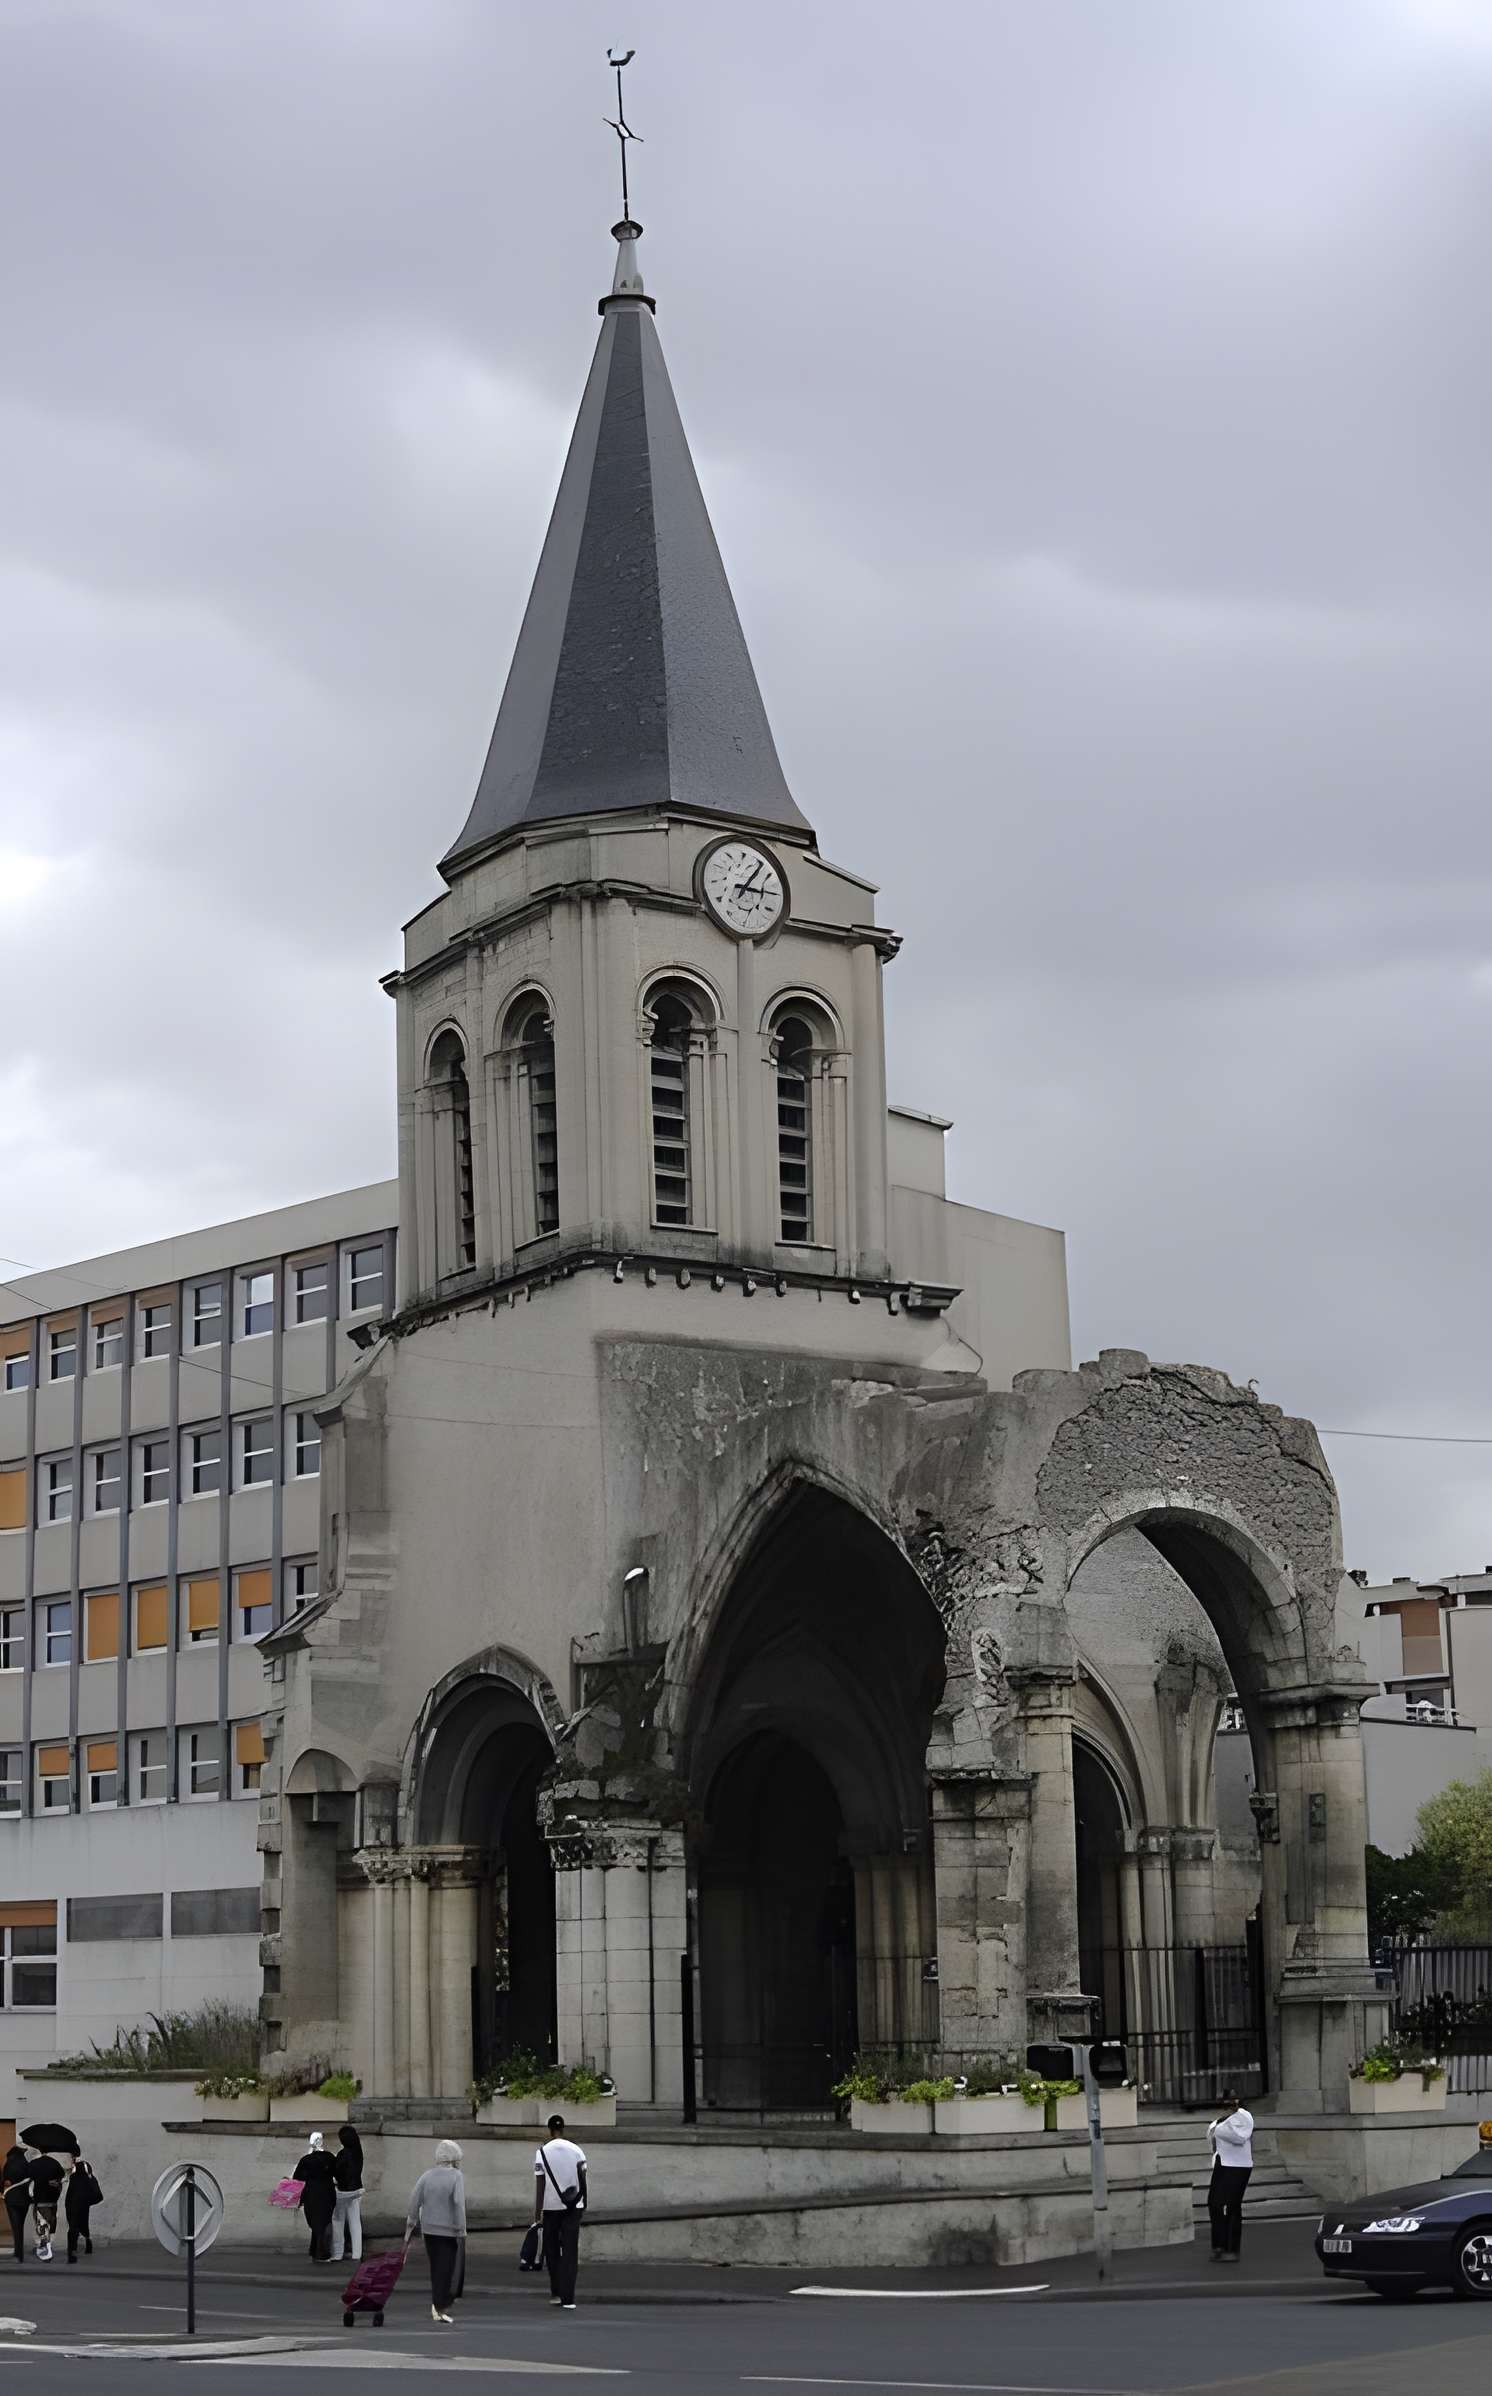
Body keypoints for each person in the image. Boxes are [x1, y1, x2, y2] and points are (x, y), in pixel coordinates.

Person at [404, 2138, 466, 2325]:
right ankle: (440, 2304)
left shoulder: (427, 2176)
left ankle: (438, 2302)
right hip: (449, 2231)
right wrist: (461, 2228)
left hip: (429, 2230)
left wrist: (411, 2223)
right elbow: (458, 2204)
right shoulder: (456, 2176)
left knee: (436, 2267)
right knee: (446, 2268)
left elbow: (414, 2200)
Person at [533, 2112, 587, 2311]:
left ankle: (556, 2292)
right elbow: (583, 2179)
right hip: (574, 2207)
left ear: (549, 2130)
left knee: (552, 2250)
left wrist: (537, 2213)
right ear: (563, 2129)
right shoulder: (577, 2150)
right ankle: (569, 2297)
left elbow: (540, 2183)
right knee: (571, 2251)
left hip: (551, 2207)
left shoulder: (542, 2152)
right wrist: (583, 2204)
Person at [1207, 2087, 1254, 2263]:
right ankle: (1218, 2244)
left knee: (1232, 2206)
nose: (1229, 2103)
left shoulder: (1244, 2116)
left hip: (1238, 2166)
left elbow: (1240, 2137)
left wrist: (1217, 2130)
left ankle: (1232, 2249)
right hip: (1223, 2163)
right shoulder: (1224, 2119)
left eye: (1233, 2099)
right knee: (1214, 2204)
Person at [294, 2130, 338, 2263]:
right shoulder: (330, 2157)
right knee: (323, 2222)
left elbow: (297, 2178)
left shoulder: (306, 2159)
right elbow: (337, 2172)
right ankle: (319, 2252)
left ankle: (317, 2252)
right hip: (327, 2192)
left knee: (315, 2223)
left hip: (311, 2193)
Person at [331, 2124, 364, 2263]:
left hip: (343, 2191)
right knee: (355, 2222)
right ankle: (357, 2253)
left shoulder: (343, 2154)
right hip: (357, 2190)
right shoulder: (358, 2151)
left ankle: (338, 2253)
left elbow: (336, 2171)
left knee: (338, 2221)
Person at [65, 2155, 102, 2262]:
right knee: (83, 2226)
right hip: (83, 2207)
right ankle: (87, 2243)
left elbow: (69, 2195)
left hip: (72, 2207)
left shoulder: (74, 2178)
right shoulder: (90, 2179)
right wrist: (88, 2202)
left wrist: (67, 2207)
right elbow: (98, 2195)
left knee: (73, 2229)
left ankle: (72, 2250)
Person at [28, 2152, 64, 2262]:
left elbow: (28, 2178)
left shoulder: (34, 2164)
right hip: (52, 2199)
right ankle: (47, 2244)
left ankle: (45, 2247)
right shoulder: (55, 2163)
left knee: (40, 2223)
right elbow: (61, 2177)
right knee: (51, 2222)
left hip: (39, 2199)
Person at [1, 2147, 32, 2266]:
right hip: (24, 2199)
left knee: (16, 2227)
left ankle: (18, 2253)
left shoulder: (8, 2164)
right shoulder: (26, 2164)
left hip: (12, 2199)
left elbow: (5, 2181)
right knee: (20, 2225)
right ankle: (19, 2253)